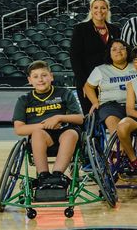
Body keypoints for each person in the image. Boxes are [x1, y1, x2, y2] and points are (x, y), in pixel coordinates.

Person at [12, 61, 84, 195]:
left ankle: (57, 176)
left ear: (51, 76)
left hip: (65, 131)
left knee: (71, 134)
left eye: (44, 75)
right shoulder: (24, 100)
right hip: (43, 137)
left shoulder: (64, 93)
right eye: (36, 76)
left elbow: (80, 118)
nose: (40, 79)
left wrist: (58, 117)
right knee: (38, 133)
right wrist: (45, 125)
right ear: (30, 80)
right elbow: (19, 129)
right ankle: (43, 176)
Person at [69, 0, 121, 114]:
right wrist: (84, 83)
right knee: (91, 115)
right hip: (88, 80)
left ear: (107, 10)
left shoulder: (115, 29)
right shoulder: (80, 28)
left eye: (103, 8)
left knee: (110, 114)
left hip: (109, 81)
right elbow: (75, 57)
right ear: (91, 10)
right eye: (96, 7)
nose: (99, 11)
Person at [83, 39, 137, 135]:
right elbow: (88, 87)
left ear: (127, 51)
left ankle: (131, 149)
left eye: (122, 48)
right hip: (110, 106)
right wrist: (95, 102)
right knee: (111, 120)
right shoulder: (101, 69)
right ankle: (119, 147)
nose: (118, 51)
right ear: (109, 53)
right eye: (114, 49)